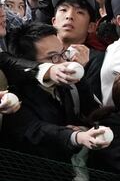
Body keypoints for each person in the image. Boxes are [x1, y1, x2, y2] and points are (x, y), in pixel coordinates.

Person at [1, 22, 110, 163]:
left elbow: (93, 112)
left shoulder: (69, 84)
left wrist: (85, 128)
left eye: (63, 53)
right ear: (30, 62)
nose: (63, 63)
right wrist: (76, 137)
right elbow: (37, 131)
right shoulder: (13, 97)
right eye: (53, 57)